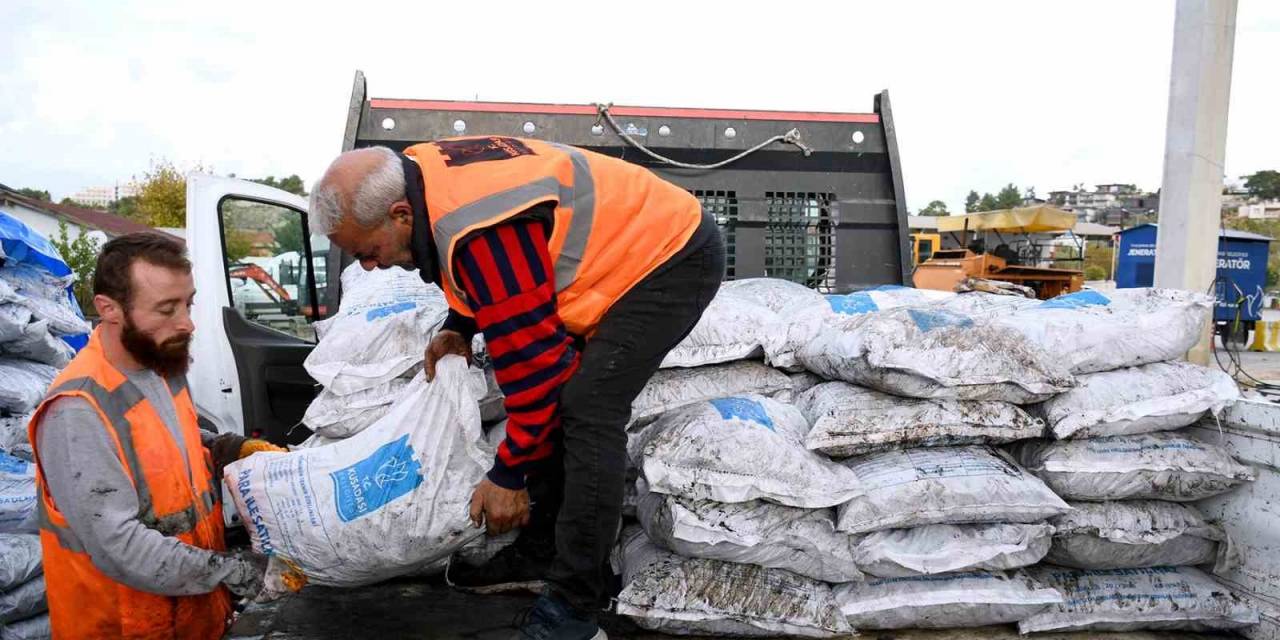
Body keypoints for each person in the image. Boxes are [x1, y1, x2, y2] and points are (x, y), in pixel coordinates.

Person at [310, 137, 725, 640]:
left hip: (671, 256)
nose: (368, 266)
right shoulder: (418, 176)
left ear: (400, 215)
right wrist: (459, 325)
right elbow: (479, 268)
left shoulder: (481, 229)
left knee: (588, 407)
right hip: (623, 253)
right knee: (565, 399)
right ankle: (543, 551)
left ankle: (576, 607)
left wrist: (508, 476)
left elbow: (538, 376)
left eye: (368, 252)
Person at [26, 232, 283, 639]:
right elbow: (119, 546)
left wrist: (225, 448)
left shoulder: (160, 363)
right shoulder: (76, 410)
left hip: (192, 616)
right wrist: (233, 572)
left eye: (188, 304)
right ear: (109, 309)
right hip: (128, 627)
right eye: (167, 309)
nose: (187, 323)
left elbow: (164, 442)